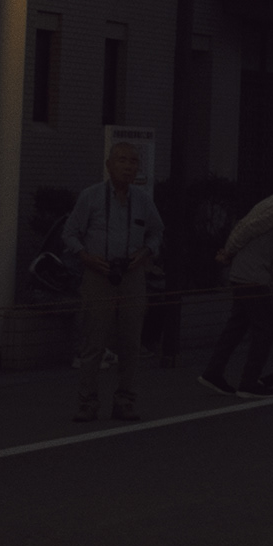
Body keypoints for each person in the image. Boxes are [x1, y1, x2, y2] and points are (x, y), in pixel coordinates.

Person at [57, 143, 161, 424]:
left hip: (132, 275)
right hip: (98, 274)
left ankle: (125, 402)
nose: (128, 166)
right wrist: (86, 256)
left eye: (133, 161)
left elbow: (157, 233)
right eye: (122, 160)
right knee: (94, 342)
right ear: (109, 164)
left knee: (131, 342)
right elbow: (70, 233)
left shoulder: (143, 200)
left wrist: (145, 252)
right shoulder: (90, 196)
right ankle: (87, 403)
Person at [201, 164, 273, 396]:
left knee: (238, 324)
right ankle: (248, 382)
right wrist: (229, 251)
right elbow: (248, 227)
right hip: (252, 273)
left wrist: (230, 252)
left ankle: (213, 372)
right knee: (265, 326)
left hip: (247, 270)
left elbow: (246, 225)